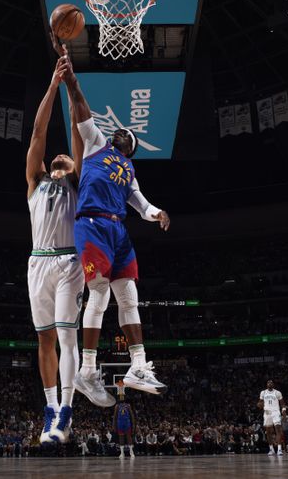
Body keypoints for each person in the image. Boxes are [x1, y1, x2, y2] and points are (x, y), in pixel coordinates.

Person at [58, 52, 170, 405]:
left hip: (118, 231)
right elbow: (81, 109)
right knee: (100, 294)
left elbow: (141, 203)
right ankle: (87, 370)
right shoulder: (96, 143)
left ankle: (138, 365)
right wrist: (73, 82)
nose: (120, 131)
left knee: (129, 296)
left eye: (126, 132)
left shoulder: (129, 171)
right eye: (119, 130)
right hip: (91, 223)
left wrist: (158, 214)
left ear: (131, 147)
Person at [25, 57, 85, 444]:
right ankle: (49, 411)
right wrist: (51, 84)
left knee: (67, 337)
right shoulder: (35, 180)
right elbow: (37, 132)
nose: (61, 153)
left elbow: (79, 133)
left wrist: (70, 88)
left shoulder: (78, 180)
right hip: (38, 262)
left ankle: (66, 410)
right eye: (57, 155)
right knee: (45, 339)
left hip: (68, 261)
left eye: (67, 155)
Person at [258, 380, 285, 456]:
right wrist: (259, 405)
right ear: (266, 384)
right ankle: (271, 449)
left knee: (278, 430)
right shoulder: (263, 392)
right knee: (268, 432)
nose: (270, 384)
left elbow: (282, 403)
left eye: (271, 383)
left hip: (276, 412)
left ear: (273, 384)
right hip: (267, 413)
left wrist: (283, 411)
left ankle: (279, 450)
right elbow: (260, 402)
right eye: (268, 383)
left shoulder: (277, 392)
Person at [113, 385, 135, 459]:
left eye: (122, 396)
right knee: (121, 438)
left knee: (129, 437)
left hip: (127, 423)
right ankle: (122, 453)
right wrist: (114, 426)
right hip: (120, 423)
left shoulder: (128, 405)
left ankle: (131, 452)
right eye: (120, 396)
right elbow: (115, 417)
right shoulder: (117, 406)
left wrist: (133, 425)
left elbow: (132, 416)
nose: (121, 397)